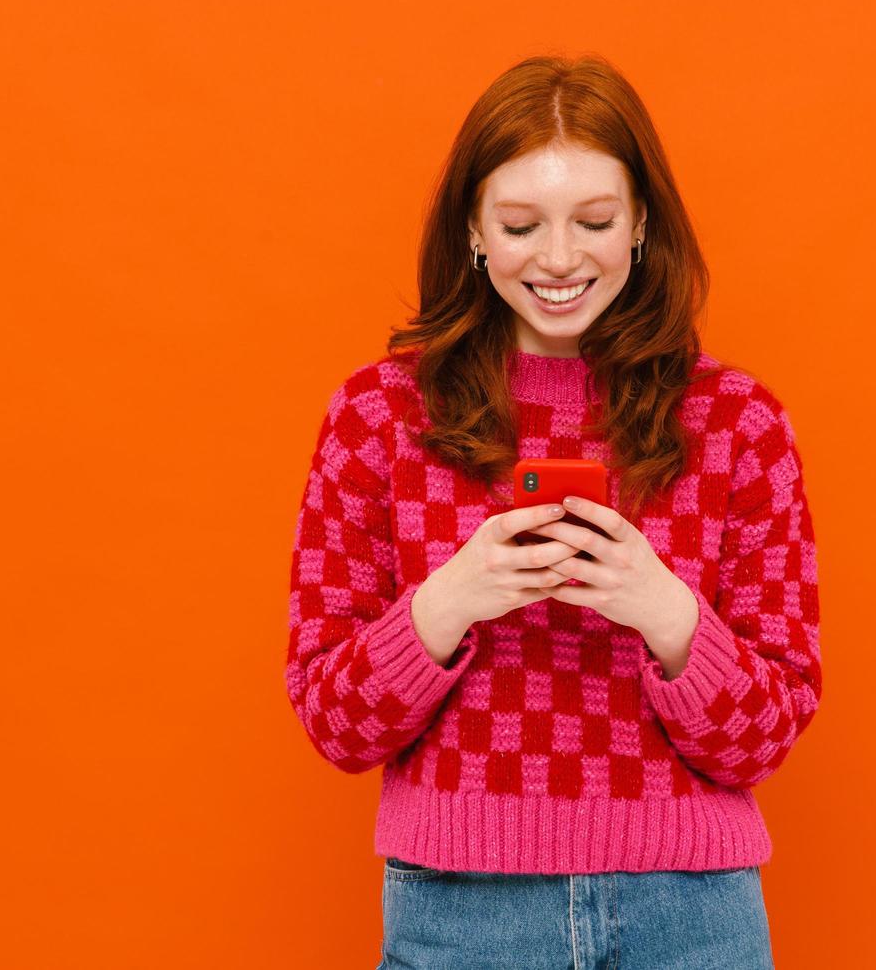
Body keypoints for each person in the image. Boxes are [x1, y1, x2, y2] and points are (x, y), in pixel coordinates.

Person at [285, 53, 821, 969]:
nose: (562, 258)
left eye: (597, 221)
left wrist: (665, 612)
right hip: (459, 914)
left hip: (689, 917)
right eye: (523, 224)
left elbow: (769, 735)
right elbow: (334, 724)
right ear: (474, 231)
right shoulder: (378, 418)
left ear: (643, 222)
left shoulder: (739, 423)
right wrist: (451, 600)